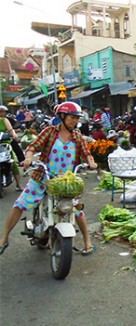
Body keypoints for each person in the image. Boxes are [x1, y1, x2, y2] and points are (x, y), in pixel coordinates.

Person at [0, 102, 98, 255]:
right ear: (62, 116)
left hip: (66, 181)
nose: (75, 121)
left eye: (76, 118)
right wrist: (28, 158)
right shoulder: (49, 132)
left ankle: (87, 241)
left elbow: (86, 153)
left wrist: (91, 162)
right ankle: (3, 239)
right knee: (20, 204)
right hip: (43, 177)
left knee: (77, 208)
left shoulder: (77, 136)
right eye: (72, 117)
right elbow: (33, 147)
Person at [0, 105, 24, 190]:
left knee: (12, 163)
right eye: (1, 112)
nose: (2, 113)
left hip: (4, 144)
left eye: (3, 112)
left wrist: (14, 135)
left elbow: (11, 130)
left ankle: (19, 184)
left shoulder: (5, 120)